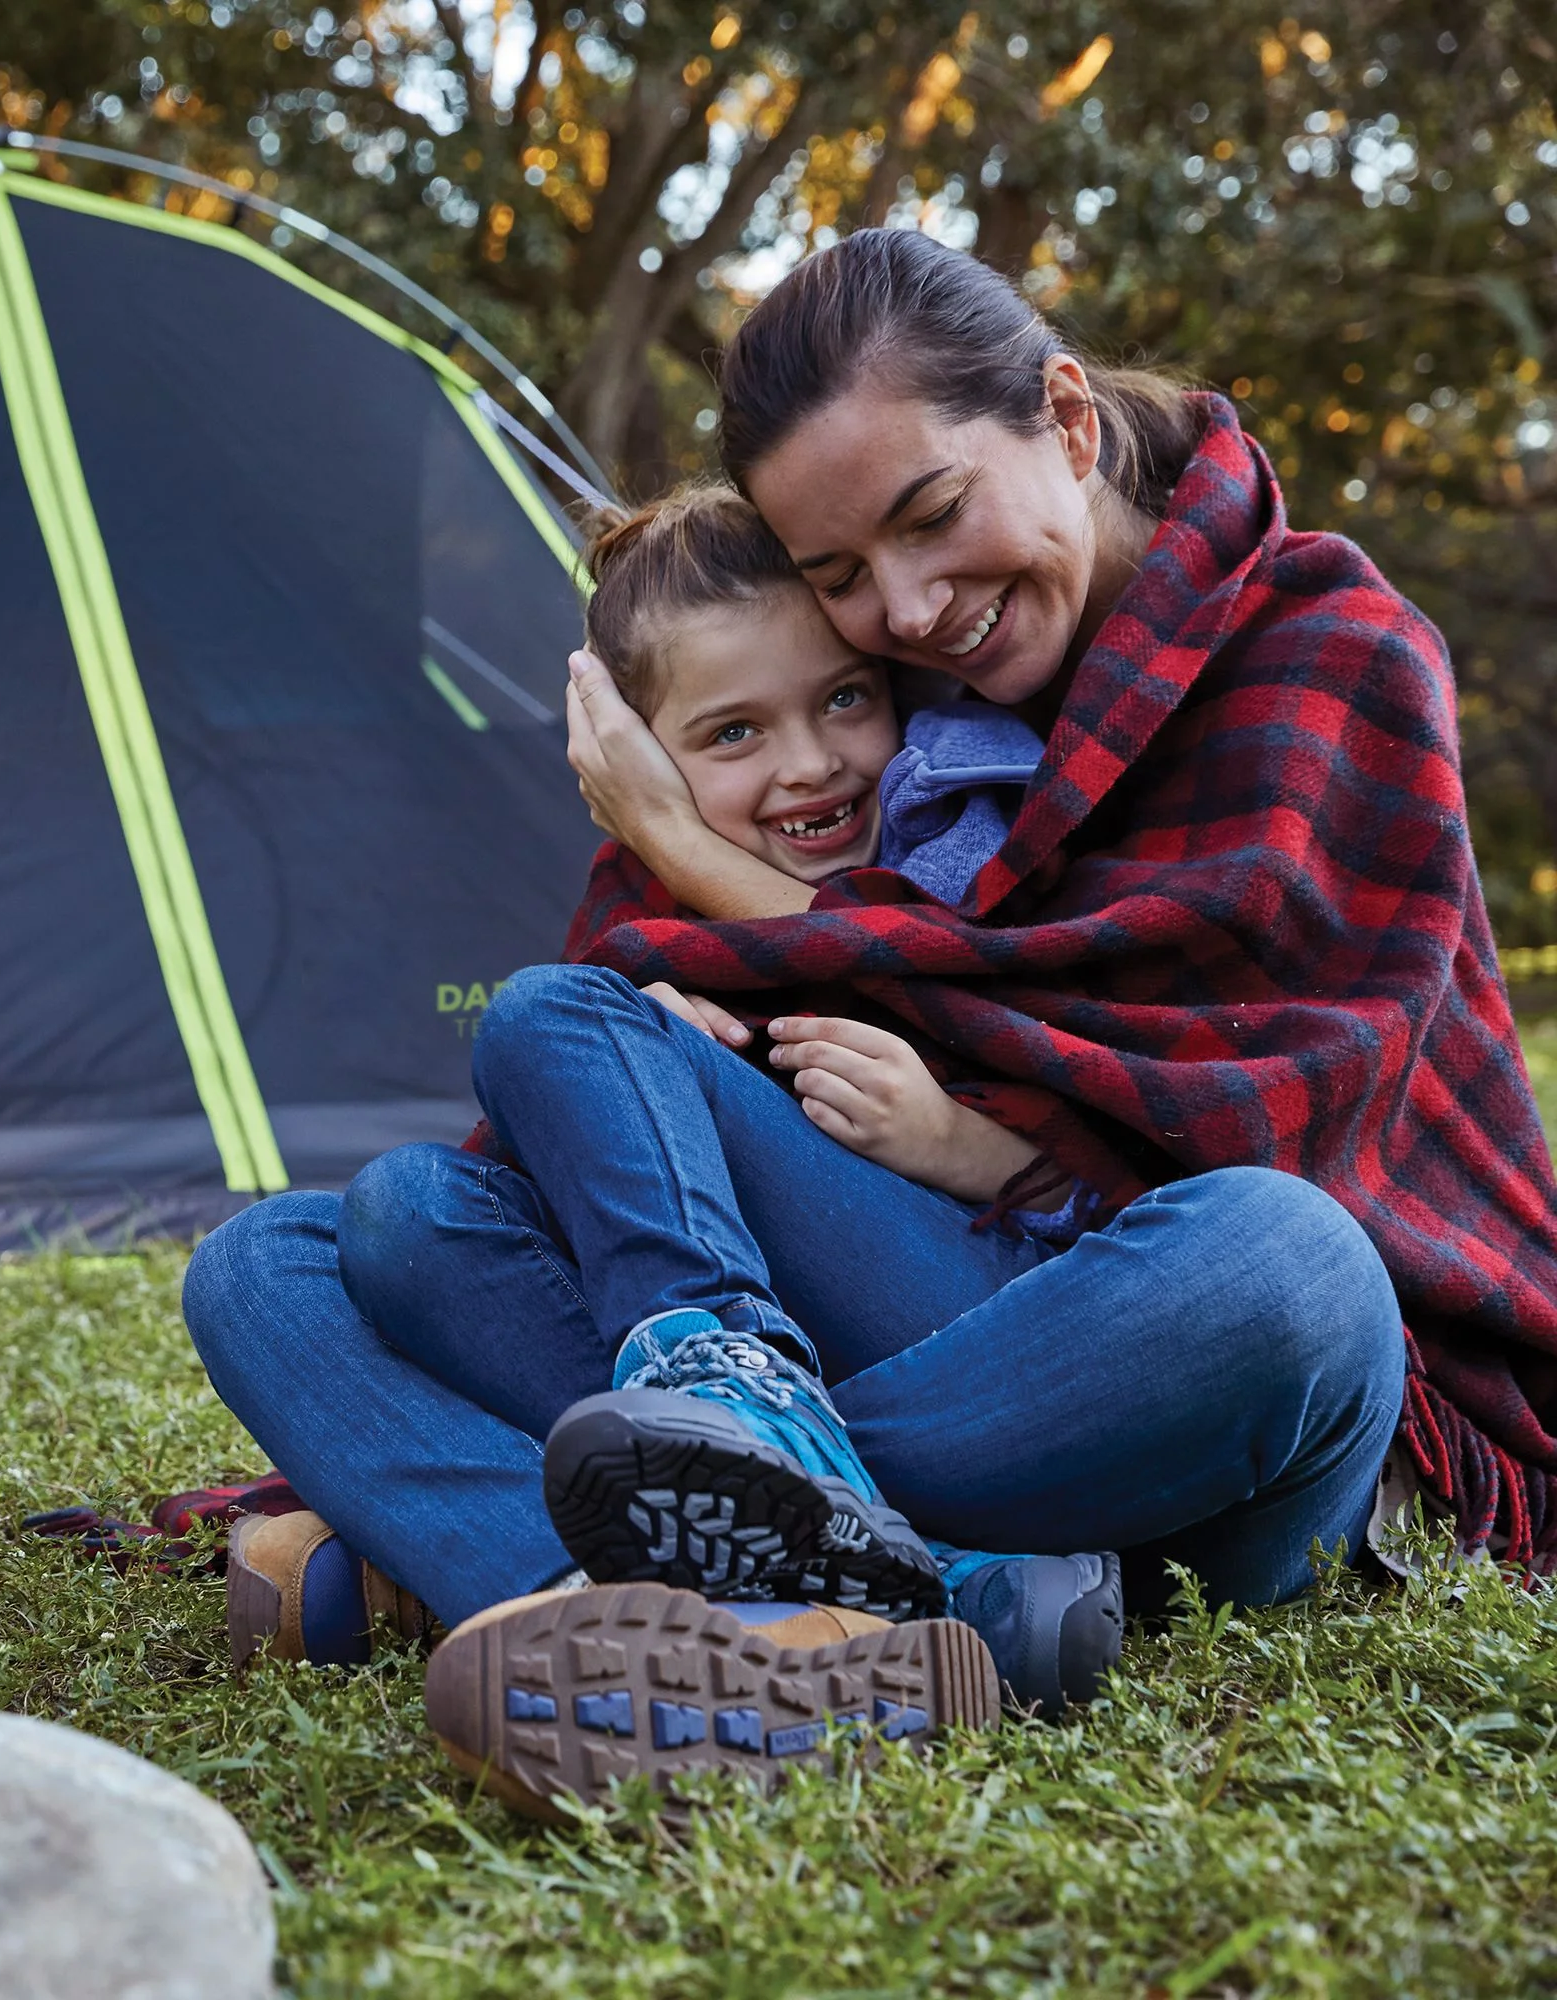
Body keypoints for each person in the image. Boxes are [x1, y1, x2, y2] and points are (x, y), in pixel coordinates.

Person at [190, 228, 1557, 1813]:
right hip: (903, 1331)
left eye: (931, 517)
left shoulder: (1325, 654)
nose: (906, 609)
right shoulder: (935, 722)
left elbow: (1270, 1112)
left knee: (1289, 1265)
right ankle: (881, 1614)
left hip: (1181, 1387)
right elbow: (611, 1134)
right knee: (318, 1244)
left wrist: (713, 876)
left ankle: (571, 1541)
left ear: (1065, 414)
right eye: (841, 580)